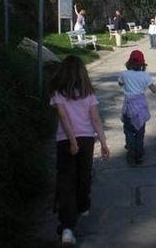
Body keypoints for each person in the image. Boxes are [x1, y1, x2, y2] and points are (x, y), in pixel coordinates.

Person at [50, 55, 110, 246]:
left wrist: (71, 140)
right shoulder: (88, 94)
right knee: (83, 176)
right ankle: (82, 205)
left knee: (66, 180)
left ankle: (67, 228)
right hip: (85, 141)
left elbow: (63, 116)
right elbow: (95, 119)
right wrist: (103, 142)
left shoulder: (57, 93)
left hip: (65, 141)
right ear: (82, 74)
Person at [118, 50, 156, 165]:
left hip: (128, 108)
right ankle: (139, 155)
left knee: (129, 131)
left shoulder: (124, 74)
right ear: (142, 64)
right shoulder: (145, 76)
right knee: (140, 132)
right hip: (140, 108)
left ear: (129, 63)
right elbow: (154, 90)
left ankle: (131, 151)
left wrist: (126, 83)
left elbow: (120, 84)